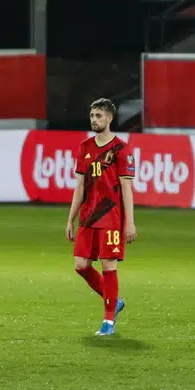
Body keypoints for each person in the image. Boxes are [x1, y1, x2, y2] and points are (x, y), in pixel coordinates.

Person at [65, 97, 137, 337]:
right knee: (81, 265)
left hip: (112, 216)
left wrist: (130, 222)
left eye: (99, 116)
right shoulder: (85, 147)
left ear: (109, 118)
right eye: (92, 115)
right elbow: (80, 187)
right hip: (88, 216)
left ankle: (108, 323)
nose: (94, 120)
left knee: (108, 265)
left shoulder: (121, 149)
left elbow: (127, 188)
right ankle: (113, 301)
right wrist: (71, 218)